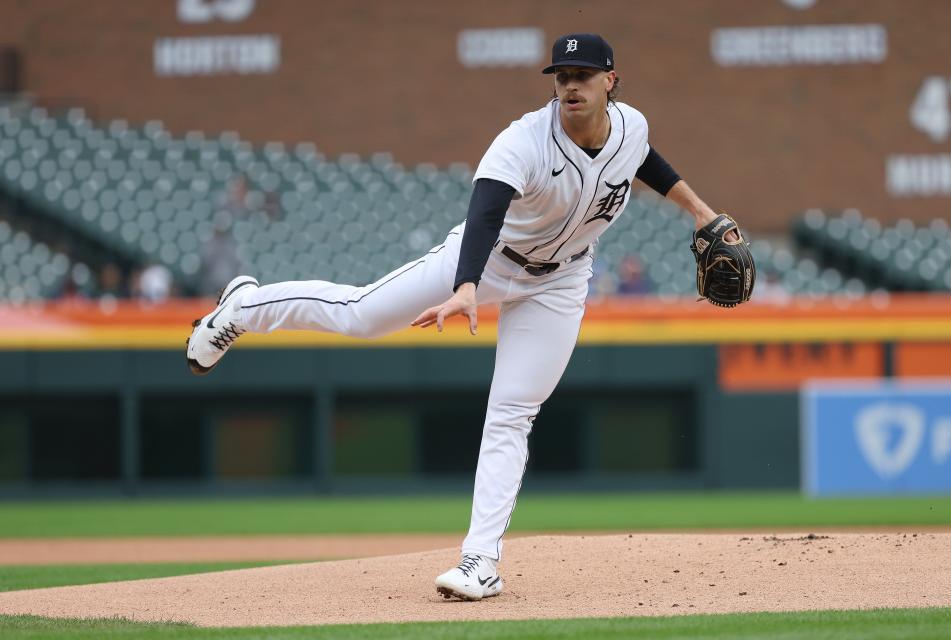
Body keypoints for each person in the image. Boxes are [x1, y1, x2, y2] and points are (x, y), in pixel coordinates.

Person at [186, 33, 736, 601]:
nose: (571, 85)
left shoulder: (631, 128)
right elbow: (485, 212)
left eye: (583, 75)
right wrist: (468, 284)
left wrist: (699, 211)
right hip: (488, 260)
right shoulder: (522, 143)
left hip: (564, 278)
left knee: (513, 412)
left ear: (610, 82)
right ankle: (244, 307)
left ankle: (480, 562)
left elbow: (644, 159)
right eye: (562, 75)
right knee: (361, 316)